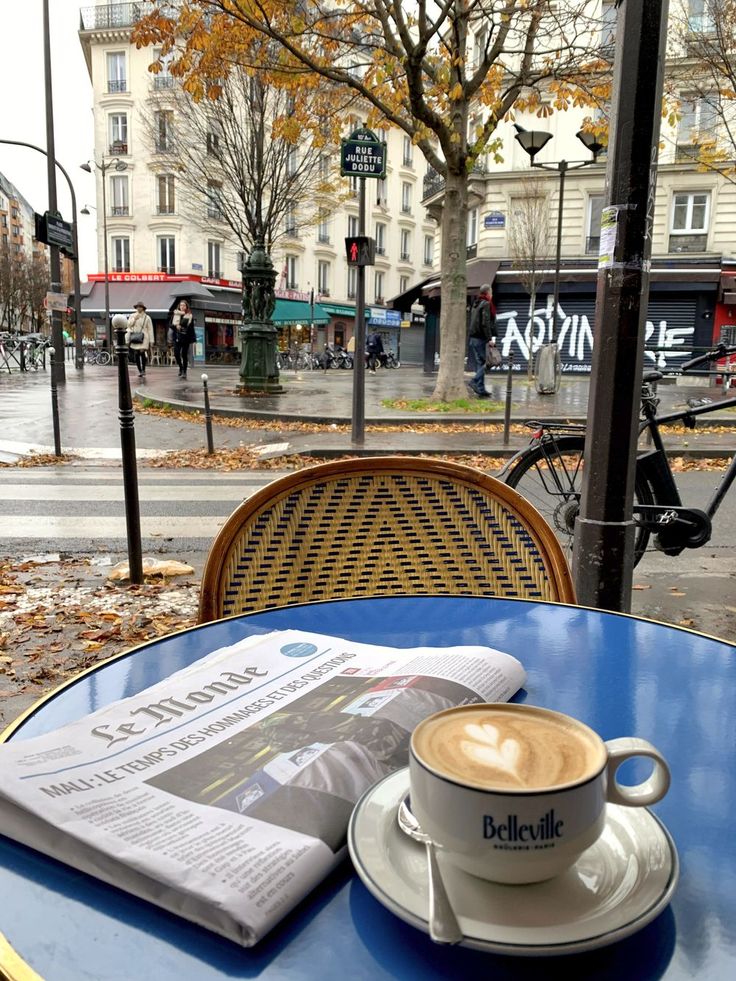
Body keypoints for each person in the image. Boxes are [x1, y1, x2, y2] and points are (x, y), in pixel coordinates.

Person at [467, 283, 497, 398]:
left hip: (474, 338)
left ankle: (480, 388)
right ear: (488, 293)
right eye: (491, 292)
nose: (492, 295)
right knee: (487, 363)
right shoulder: (486, 304)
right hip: (480, 338)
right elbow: (485, 323)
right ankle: (474, 381)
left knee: (480, 363)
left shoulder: (476, 303)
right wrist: (489, 338)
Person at [125, 301, 154, 377]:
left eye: (140, 307)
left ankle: (143, 369)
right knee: (137, 353)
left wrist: (151, 341)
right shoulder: (132, 316)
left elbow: (150, 329)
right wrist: (134, 319)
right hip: (135, 336)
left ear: (143, 308)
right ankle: (140, 370)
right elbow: (128, 325)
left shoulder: (147, 317)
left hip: (144, 337)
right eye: (137, 307)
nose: (139, 308)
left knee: (142, 352)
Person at [171, 299, 195, 378]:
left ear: (186, 306)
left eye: (184, 305)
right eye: (181, 305)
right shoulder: (175, 314)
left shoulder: (189, 315)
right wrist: (175, 326)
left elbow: (191, 328)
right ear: (179, 306)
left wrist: (182, 327)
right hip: (177, 337)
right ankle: (180, 367)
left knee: (184, 355)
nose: (182, 307)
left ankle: (184, 371)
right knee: (176, 354)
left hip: (185, 337)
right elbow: (170, 325)